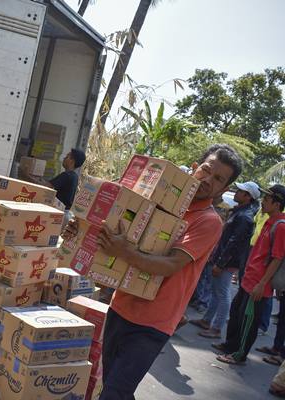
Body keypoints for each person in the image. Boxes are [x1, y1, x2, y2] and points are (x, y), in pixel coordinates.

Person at [65, 144, 243, 399]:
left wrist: (123, 251)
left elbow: (171, 264)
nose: (208, 180)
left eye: (218, 180)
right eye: (206, 170)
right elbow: (114, 230)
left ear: (224, 190)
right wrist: (80, 231)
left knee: (115, 392)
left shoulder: (209, 221)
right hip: (120, 305)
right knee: (114, 386)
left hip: (152, 322)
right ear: (194, 168)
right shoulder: (159, 204)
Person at [213, 184, 285, 365]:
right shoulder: (268, 221)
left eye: (267, 199)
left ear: (277, 204)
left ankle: (239, 354)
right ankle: (230, 346)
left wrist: (262, 284)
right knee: (237, 314)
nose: (263, 202)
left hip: (258, 284)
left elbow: (277, 258)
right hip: (249, 279)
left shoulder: (280, 226)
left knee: (248, 322)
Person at [190, 181, 259, 338]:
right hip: (223, 259)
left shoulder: (244, 217)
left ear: (247, 197)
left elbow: (233, 244)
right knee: (216, 291)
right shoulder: (240, 212)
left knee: (222, 293)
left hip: (227, 262)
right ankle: (208, 320)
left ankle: (217, 328)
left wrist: (221, 263)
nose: (236, 192)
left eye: (240, 191)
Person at [21, 148, 85, 222]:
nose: (64, 158)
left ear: (72, 161)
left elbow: (44, 187)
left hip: (59, 214)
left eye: (67, 156)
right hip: (64, 213)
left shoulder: (66, 175)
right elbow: (51, 184)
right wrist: (39, 179)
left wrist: (26, 176)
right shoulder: (74, 176)